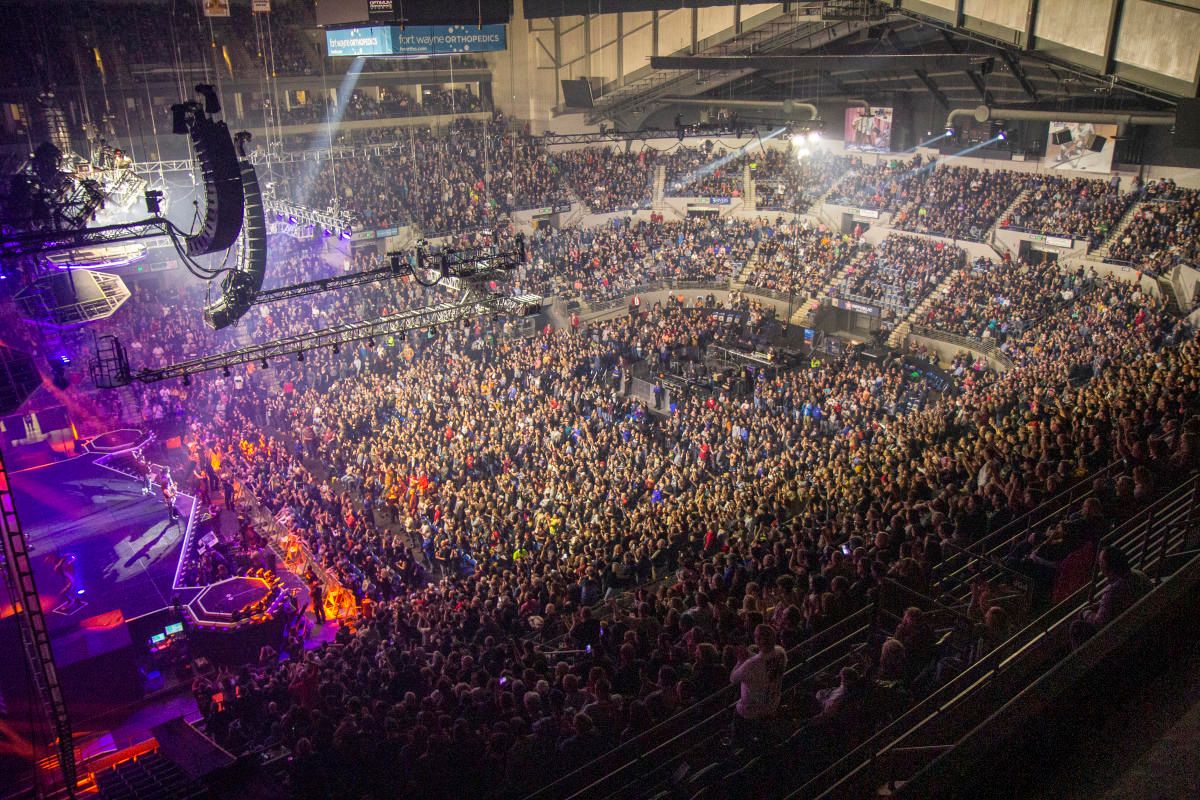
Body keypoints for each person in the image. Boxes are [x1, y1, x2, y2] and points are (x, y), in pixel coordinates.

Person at [729, 623, 786, 746]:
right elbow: (763, 663)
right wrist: (749, 657)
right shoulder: (781, 652)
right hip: (772, 703)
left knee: (740, 739)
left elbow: (733, 678)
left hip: (750, 711)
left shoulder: (750, 665)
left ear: (758, 640)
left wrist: (740, 660)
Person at [1070, 545, 1137, 647]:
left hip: (1120, 638)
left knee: (1077, 627)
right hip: (1136, 626)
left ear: (1108, 567)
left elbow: (1099, 623)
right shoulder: (1137, 576)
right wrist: (1099, 604)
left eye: (1101, 563)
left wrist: (1085, 613)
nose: (1099, 566)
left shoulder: (1113, 590)